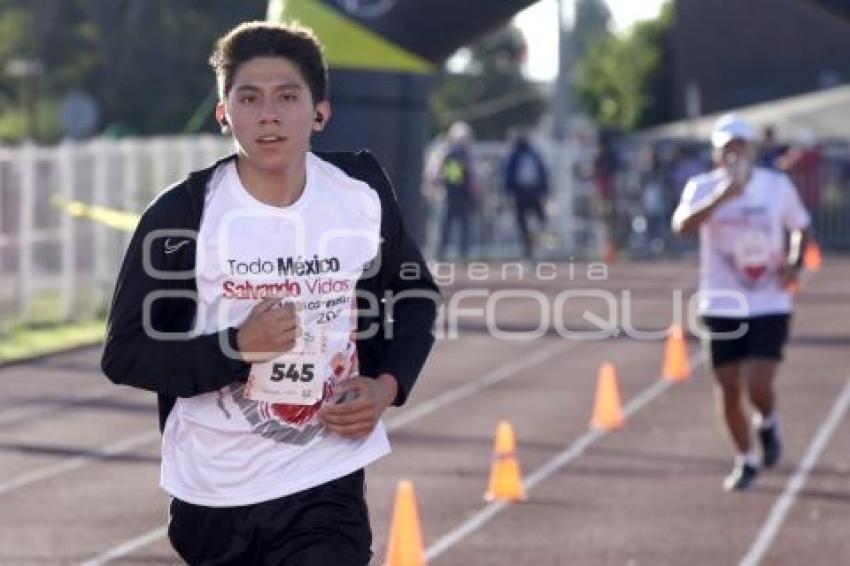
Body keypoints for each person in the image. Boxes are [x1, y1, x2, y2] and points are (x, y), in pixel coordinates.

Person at [101, 21, 439, 564]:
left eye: (288, 96)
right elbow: (125, 354)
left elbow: (414, 297)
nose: (270, 115)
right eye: (249, 98)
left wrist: (385, 386)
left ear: (320, 112)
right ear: (223, 114)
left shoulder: (359, 195)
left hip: (325, 478)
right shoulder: (184, 216)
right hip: (215, 492)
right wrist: (236, 347)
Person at [672, 114, 812, 491]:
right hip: (720, 302)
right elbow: (682, 227)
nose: (734, 154)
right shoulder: (702, 187)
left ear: (751, 150)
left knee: (758, 384)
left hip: (769, 301)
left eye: (740, 146)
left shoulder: (775, 186)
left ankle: (767, 421)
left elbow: (799, 226)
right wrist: (723, 197)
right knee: (728, 384)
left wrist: (794, 264)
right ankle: (745, 459)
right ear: (717, 154)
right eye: (726, 148)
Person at [503, 131, 549, 260]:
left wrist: (544, 191)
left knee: (539, 222)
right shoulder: (518, 155)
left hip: (529, 194)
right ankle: (528, 252)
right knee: (525, 225)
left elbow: (542, 174)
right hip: (523, 194)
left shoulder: (530, 155)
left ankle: (535, 248)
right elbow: (508, 176)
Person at [436, 121, 477, 261]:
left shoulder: (458, 155)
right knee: (451, 227)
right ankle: (442, 254)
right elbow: (454, 178)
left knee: (457, 227)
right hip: (455, 196)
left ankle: (450, 254)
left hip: (457, 195)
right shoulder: (455, 155)